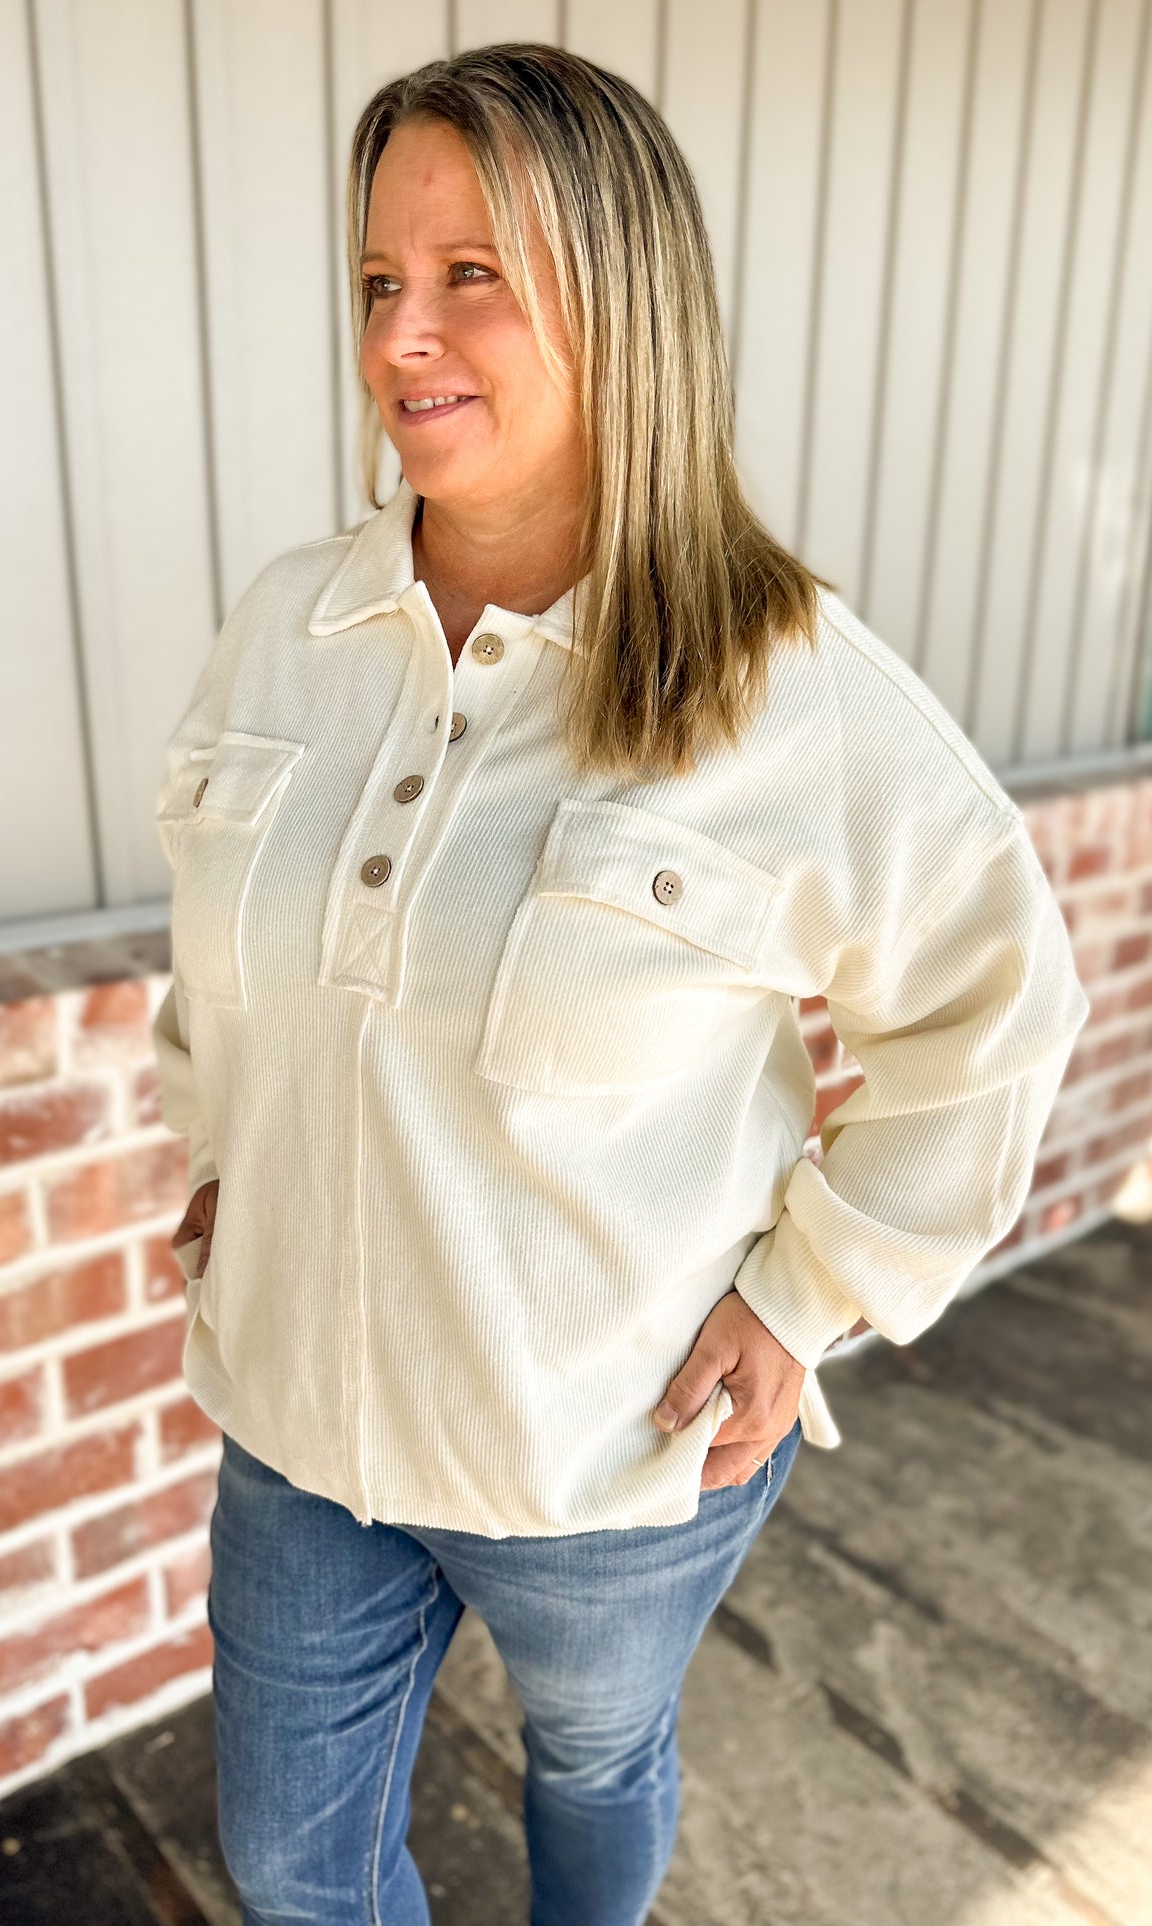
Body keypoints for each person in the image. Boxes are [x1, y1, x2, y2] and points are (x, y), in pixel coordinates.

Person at [150, 42, 1091, 1926]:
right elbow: (224, 963)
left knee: (592, 1773)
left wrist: (806, 1295)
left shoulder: (776, 674)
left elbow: (993, 1003)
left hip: (607, 1445)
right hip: (295, 1425)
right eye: (376, 281)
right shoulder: (288, 626)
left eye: (470, 274)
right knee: (288, 1870)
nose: (402, 335)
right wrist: (225, 1142)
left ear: (623, 297)